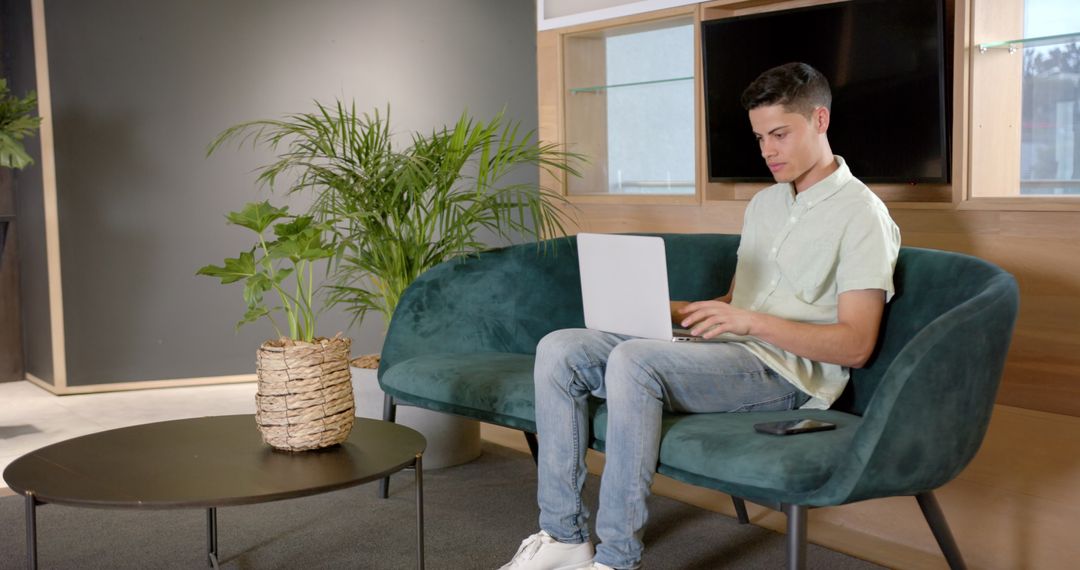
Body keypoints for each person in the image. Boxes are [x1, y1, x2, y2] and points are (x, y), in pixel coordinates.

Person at [499, 62, 901, 570]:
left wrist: (749, 323)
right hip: (730, 354)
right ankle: (563, 538)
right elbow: (739, 303)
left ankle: (617, 559)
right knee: (561, 346)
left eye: (780, 134)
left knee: (633, 363)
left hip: (790, 374)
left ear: (820, 120)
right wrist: (665, 310)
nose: (767, 151)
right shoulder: (765, 205)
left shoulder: (863, 215)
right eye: (759, 138)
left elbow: (856, 345)